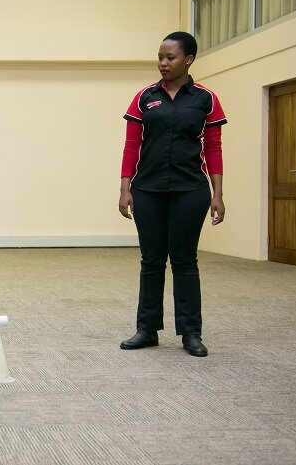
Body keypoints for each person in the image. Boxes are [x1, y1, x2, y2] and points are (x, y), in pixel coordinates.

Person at [117, 31, 225, 358]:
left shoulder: (205, 98)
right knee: (151, 261)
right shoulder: (144, 97)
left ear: (188, 59)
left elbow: (214, 148)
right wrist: (125, 187)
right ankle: (146, 330)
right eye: (160, 57)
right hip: (147, 190)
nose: (163, 63)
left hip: (190, 190)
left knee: (184, 261)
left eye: (171, 57)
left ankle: (191, 333)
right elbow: (132, 145)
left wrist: (217, 194)